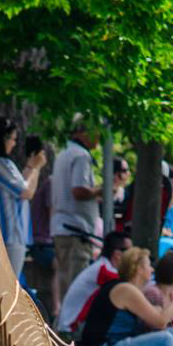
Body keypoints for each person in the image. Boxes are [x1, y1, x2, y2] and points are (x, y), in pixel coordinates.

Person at [49, 117, 117, 308]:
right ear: (83, 132)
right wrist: (104, 190)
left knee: (65, 283)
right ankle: (71, 330)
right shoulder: (81, 156)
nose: (98, 138)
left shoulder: (65, 152)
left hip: (63, 227)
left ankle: (64, 326)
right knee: (76, 286)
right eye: (96, 133)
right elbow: (79, 190)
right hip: (75, 229)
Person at [0, 117, 45, 287]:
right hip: (10, 235)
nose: (15, 144)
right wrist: (35, 167)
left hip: (5, 236)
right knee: (8, 287)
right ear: (2, 138)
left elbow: (19, 186)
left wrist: (30, 167)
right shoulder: (0, 164)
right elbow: (26, 192)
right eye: (13, 139)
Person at [56, 229, 131, 334]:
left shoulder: (103, 266)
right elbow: (131, 289)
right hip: (73, 330)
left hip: (73, 326)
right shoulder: (104, 269)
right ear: (118, 254)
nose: (133, 255)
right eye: (130, 251)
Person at [23, 136, 56, 318]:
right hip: (40, 243)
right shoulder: (51, 182)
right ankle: (57, 307)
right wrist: (34, 166)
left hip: (33, 241)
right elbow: (26, 192)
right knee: (60, 264)